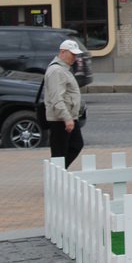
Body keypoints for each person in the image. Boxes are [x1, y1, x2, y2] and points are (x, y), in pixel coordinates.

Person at [45, 40, 84, 169]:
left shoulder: (63, 69)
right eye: (72, 54)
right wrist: (67, 118)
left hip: (69, 117)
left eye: (76, 54)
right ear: (63, 52)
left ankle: (59, 174)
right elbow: (56, 98)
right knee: (60, 153)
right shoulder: (56, 71)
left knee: (75, 145)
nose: (75, 57)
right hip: (60, 119)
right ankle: (56, 176)